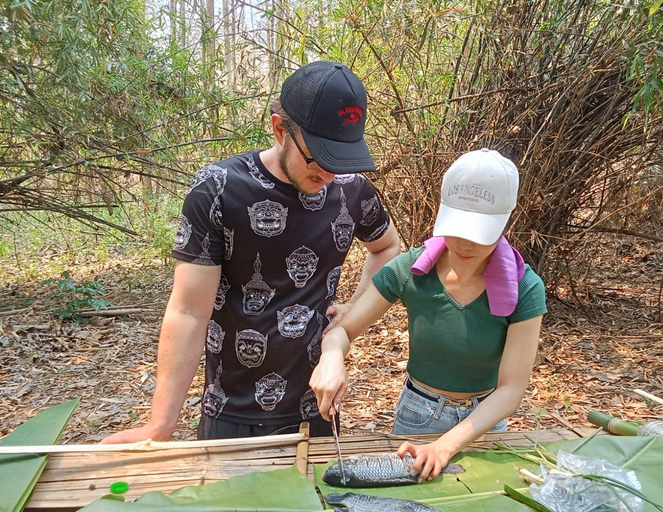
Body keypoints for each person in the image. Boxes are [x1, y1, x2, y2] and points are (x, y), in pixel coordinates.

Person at [101, 61, 400, 443]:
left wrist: (351, 313)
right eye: (318, 158)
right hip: (232, 410)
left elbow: (388, 246)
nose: (328, 174)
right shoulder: (219, 189)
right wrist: (161, 424)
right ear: (279, 129)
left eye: (340, 159)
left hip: (318, 411)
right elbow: (189, 311)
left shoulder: (351, 190)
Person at [311, 148, 546, 481]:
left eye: (478, 233)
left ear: (504, 221)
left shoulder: (525, 288)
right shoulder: (412, 270)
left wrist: (446, 445)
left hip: (485, 420)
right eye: (456, 228)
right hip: (418, 415)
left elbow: (511, 387)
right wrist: (331, 358)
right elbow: (343, 330)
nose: (464, 244)